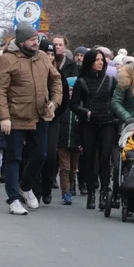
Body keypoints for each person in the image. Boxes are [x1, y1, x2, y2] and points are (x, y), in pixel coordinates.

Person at [0, 24, 63, 215]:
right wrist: (4, 117)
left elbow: (56, 79)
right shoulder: (7, 59)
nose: (36, 42)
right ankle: (14, 199)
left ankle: (25, 186)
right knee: (14, 157)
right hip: (15, 116)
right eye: (33, 40)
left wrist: (55, 101)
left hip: (40, 114)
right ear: (22, 41)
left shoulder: (41, 57)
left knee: (42, 154)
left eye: (37, 39)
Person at [72, 49, 117, 209]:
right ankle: (91, 193)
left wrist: (113, 115)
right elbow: (74, 105)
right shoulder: (81, 81)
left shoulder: (111, 80)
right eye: (97, 60)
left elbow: (116, 101)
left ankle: (104, 193)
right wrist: (86, 113)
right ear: (90, 62)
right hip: (89, 124)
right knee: (90, 158)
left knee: (105, 158)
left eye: (102, 60)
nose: (100, 62)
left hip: (107, 123)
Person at [36, 38, 70, 205]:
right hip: (35, 119)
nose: (49, 57)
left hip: (53, 120)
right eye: (46, 53)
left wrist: (54, 108)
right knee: (36, 154)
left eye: (51, 54)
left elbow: (63, 99)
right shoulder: (34, 72)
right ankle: (34, 187)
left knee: (50, 155)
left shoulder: (59, 75)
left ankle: (47, 186)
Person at [57, 76, 81, 205]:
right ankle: (65, 192)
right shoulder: (61, 106)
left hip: (76, 143)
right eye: (69, 89)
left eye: (73, 90)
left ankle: (70, 187)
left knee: (73, 169)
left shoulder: (79, 107)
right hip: (62, 142)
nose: (71, 92)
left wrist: (82, 142)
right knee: (64, 168)